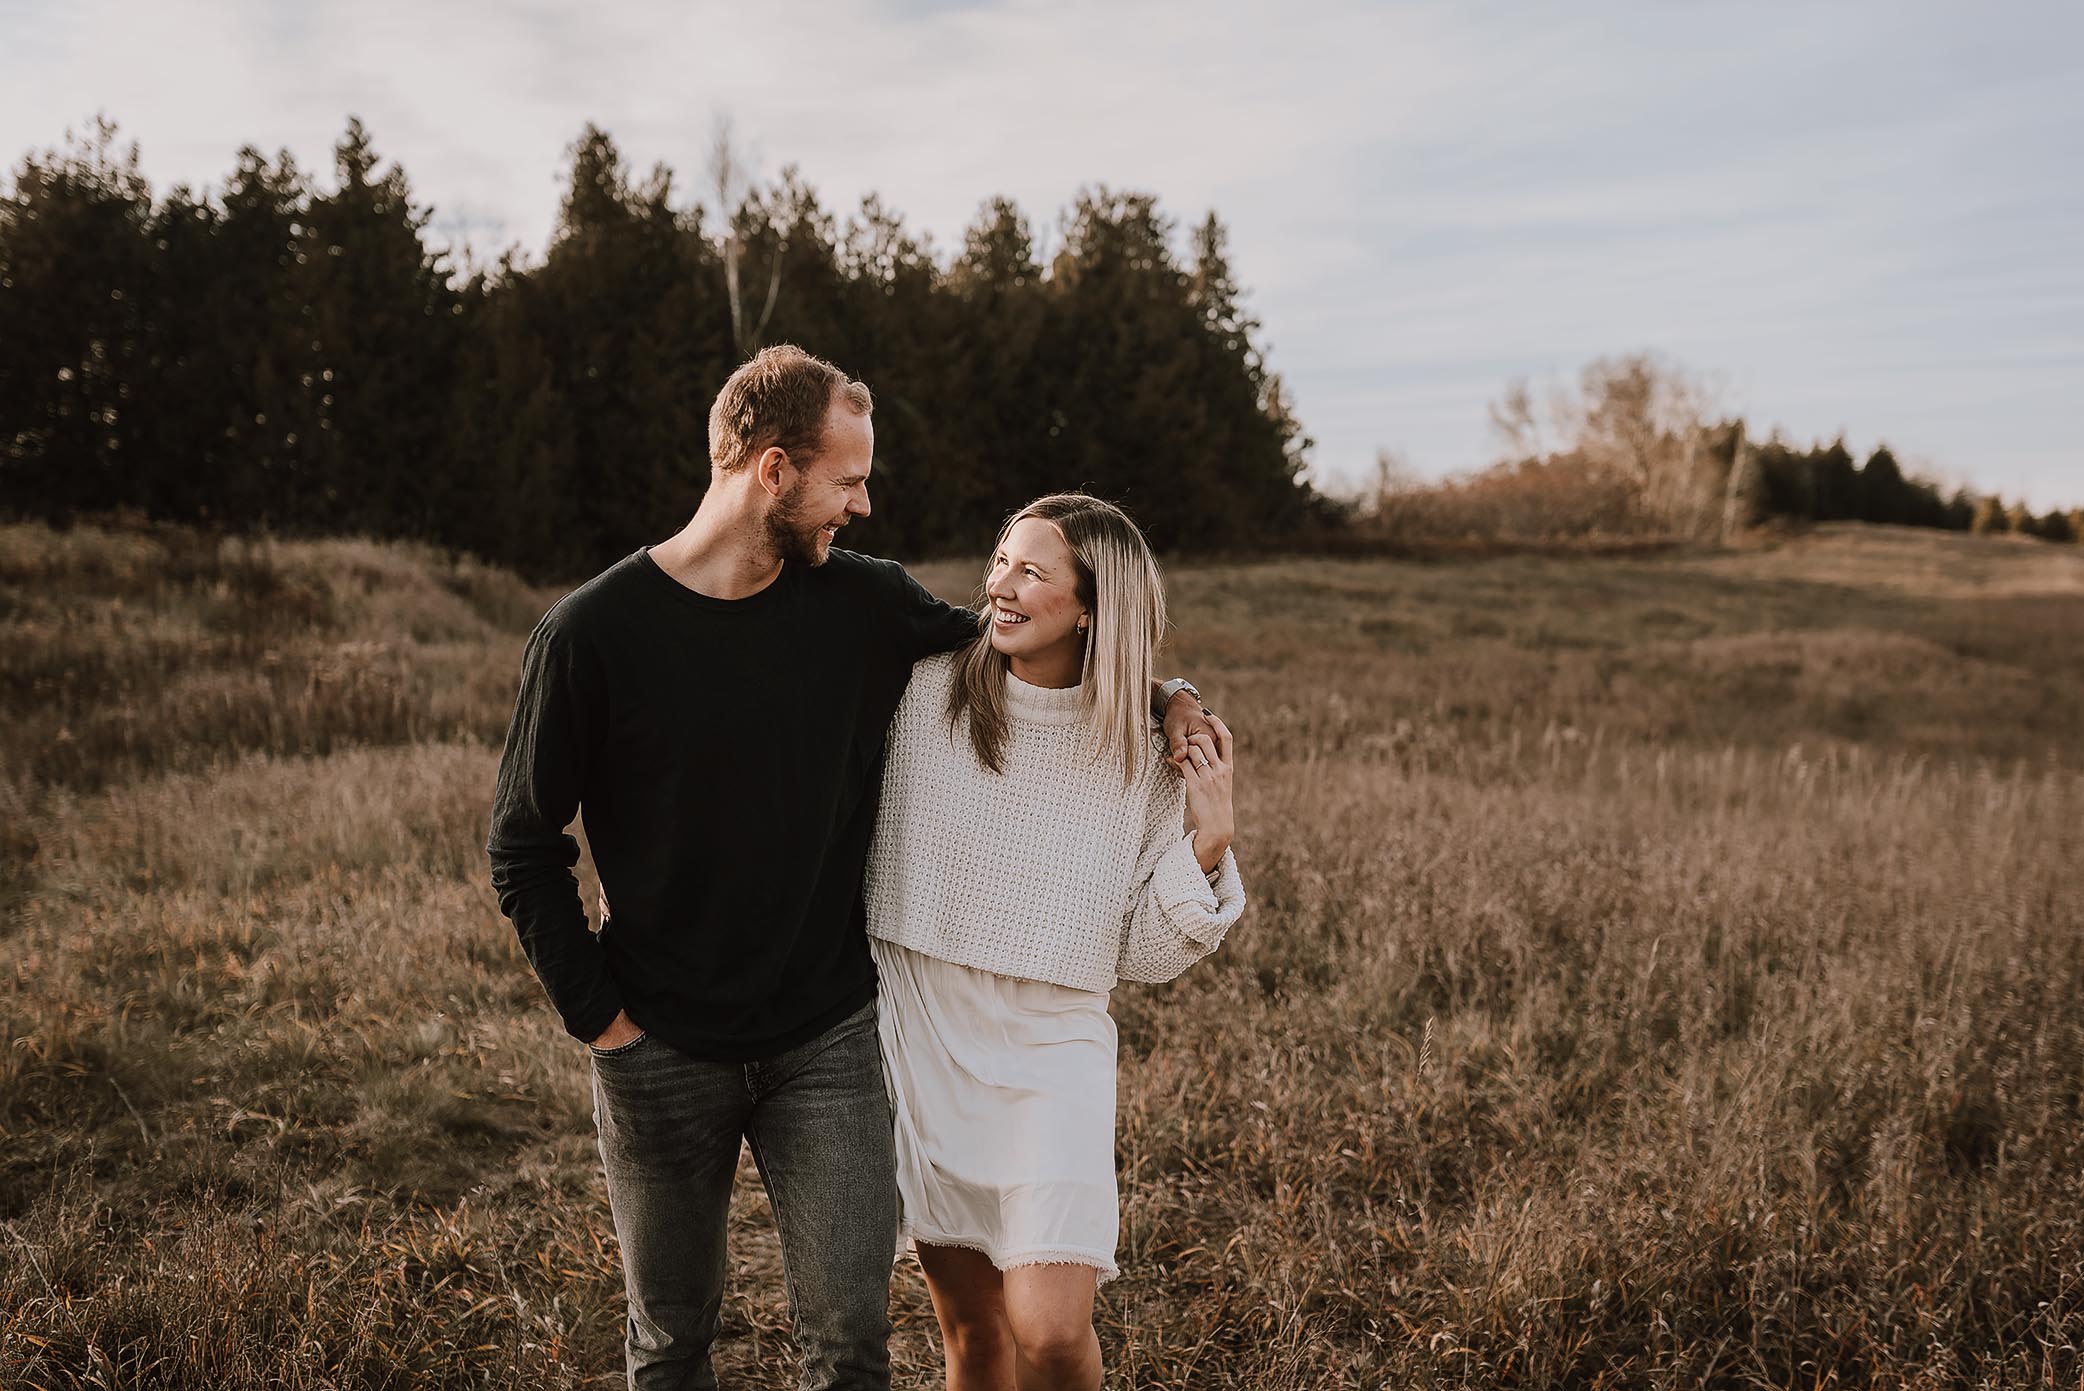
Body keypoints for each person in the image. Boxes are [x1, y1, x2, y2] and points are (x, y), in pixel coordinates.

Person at [486, 346, 1215, 1391]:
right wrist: (603, 1022)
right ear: (773, 470)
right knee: (670, 1343)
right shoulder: (591, 633)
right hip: (656, 1046)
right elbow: (521, 843)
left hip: (828, 1045)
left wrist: (1168, 690)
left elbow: (1030, 639)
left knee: (848, 1351)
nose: (864, 505)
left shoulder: (861, 603)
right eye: (849, 479)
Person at [863, 493, 1245, 1391]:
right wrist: (1175, 690)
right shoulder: (922, 694)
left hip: (1053, 1047)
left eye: (1032, 571)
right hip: (923, 1029)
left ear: (1092, 605)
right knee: (975, 1335)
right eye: (999, 559)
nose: (998, 584)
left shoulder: (1141, 752)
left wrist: (1209, 838)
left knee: (1054, 1334)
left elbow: (1145, 955)